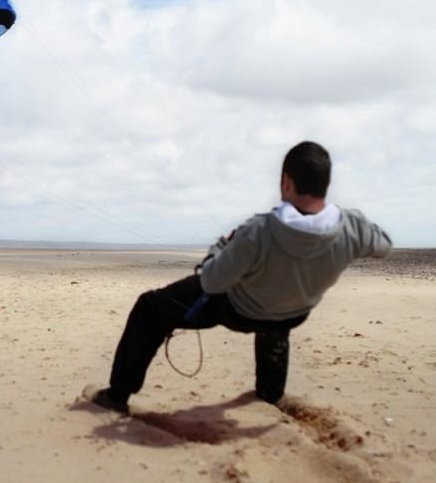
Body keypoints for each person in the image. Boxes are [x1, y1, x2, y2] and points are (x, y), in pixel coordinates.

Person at [89, 141, 392, 414]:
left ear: (286, 181)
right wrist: (352, 229)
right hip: (293, 312)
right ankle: (270, 396)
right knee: (276, 321)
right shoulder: (353, 227)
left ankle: (117, 396)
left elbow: (212, 281)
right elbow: (383, 244)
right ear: (325, 185)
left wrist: (221, 246)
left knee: (150, 308)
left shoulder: (259, 231)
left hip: (238, 310)